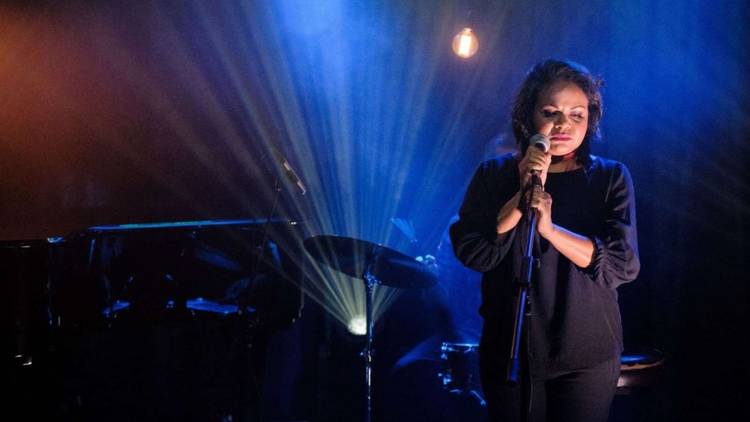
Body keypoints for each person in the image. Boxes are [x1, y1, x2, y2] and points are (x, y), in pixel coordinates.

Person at [449, 59, 640, 422]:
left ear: (590, 120)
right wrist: (520, 198)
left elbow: (622, 264)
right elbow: (475, 253)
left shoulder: (610, 177)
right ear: (528, 116)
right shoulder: (493, 174)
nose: (563, 124)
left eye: (577, 115)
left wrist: (550, 229)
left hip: (585, 352)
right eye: (551, 112)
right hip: (511, 348)